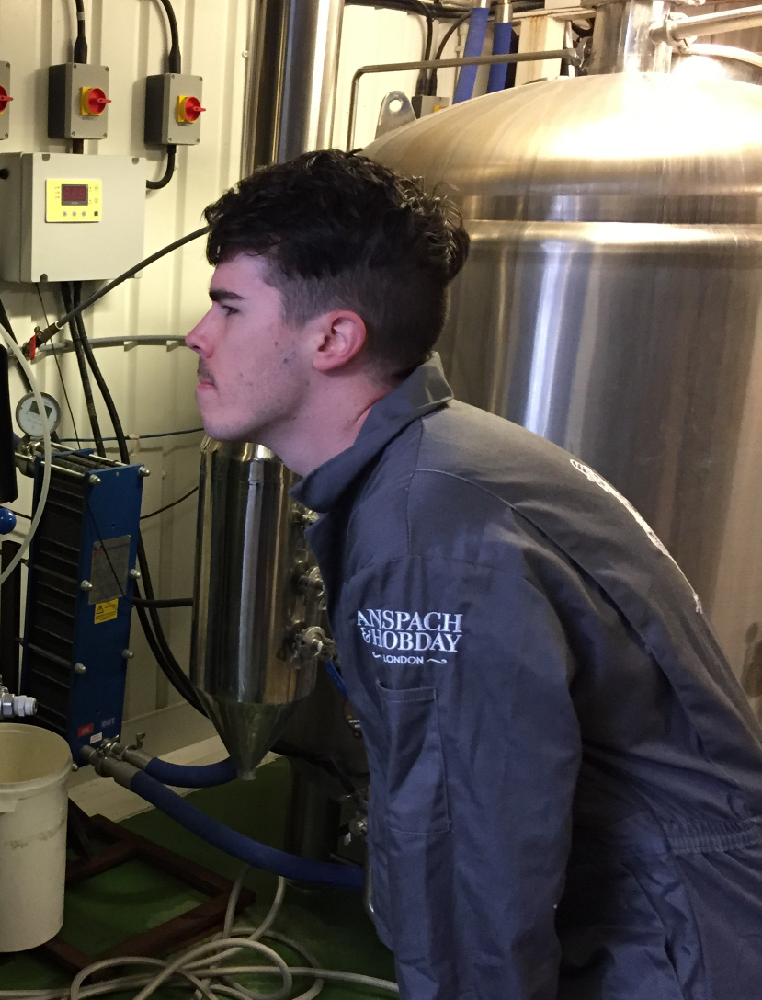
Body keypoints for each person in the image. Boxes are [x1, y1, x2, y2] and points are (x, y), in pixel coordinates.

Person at [184, 149, 762, 1000]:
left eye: (228, 307)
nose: (196, 334)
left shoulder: (428, 539)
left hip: (677, 939)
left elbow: (473, 871)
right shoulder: (442, 463)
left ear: (336, 337)